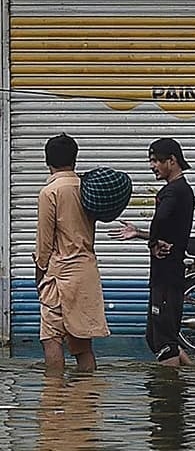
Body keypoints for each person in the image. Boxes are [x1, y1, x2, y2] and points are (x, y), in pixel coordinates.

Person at [113, 138, 194, 367]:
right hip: (167, 275)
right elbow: (169, 233)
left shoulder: (173, 191)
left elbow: (160, 220)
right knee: (161, 338)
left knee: (163, 341)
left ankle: (169, 397)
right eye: (150, 161)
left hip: (167, 277)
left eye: (157, 161)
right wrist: (140, 234)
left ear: (172, 160)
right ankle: (191, 380)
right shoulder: (181, 190)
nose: (152, 166)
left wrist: (153, 242)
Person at [34, 134, 109, 378]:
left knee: (51, 338)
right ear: (75, 159)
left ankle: (54, 399)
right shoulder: (87, 187)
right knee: (82, 344)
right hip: (86, 273)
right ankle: (86, 402)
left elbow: (44, 244)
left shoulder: (50, 192)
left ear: (48, 161)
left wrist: (39, 276)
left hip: (60, 275)